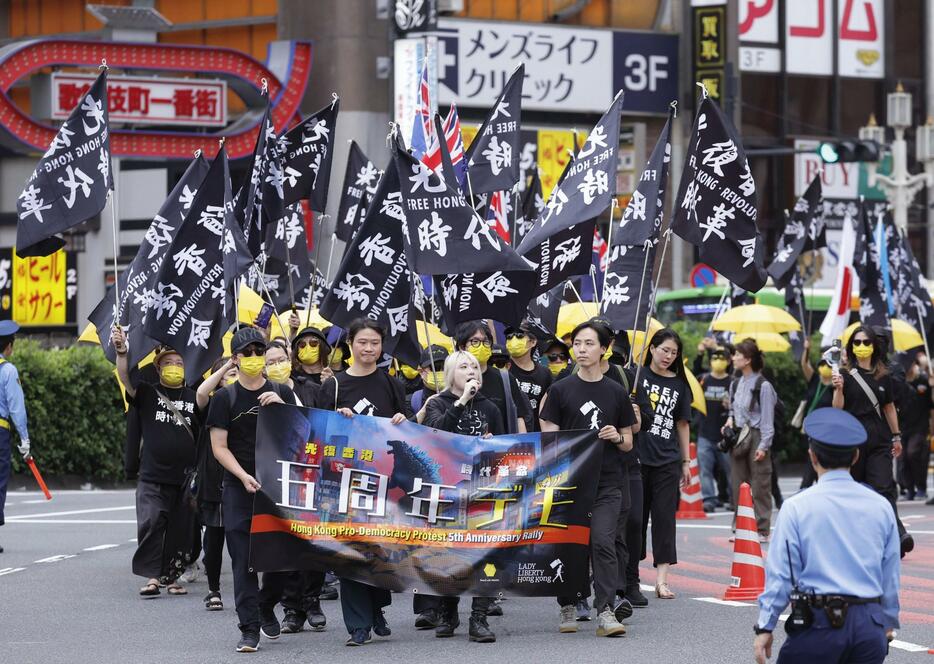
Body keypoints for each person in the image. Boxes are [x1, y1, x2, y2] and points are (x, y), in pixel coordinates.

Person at [754, 408, 900, 664]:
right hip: (868, 625)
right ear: (855, 456)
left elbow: (782, 574)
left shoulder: (797, 507)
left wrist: (766, 626)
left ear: (812, 457)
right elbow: (890, 574)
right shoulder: (880, 506)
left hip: (818, 624)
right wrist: (887, 623)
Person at [540, 320, 635, 638]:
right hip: (569, 482)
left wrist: (614, 436)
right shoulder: (560, 389)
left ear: (604, 349)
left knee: (603, 542)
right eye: (577, 343)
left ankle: (606, 610)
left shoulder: (616, 392)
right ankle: (568, 603)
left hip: (608, 481)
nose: (581, 349)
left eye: (589, 343)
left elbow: (629, 440)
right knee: (570, 546)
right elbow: (548, 436)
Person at [316, 318, 408, 647]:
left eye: (375, 343)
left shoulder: (392, 383)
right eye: (362, 342)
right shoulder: (334, 386)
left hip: (383, 485)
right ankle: (358, 624)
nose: (368, 349)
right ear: (350, 344)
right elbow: (318, 433)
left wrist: (403, 420)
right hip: (344, 482)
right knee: (350, 552)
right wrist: (335, 420)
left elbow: (410, 429)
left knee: (379, 550)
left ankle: (376, 607)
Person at [207, 326, 297, 653]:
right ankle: (249, 628)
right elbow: (219, 446)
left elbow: (303, 440)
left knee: (279, 560)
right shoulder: (224, 398)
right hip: (237, 488)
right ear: (235, 359)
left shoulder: (281, 393)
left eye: (259, 352)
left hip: (277, 489)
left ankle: (266, 604)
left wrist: (283, 408)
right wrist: (243, 476)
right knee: (244, 561)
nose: (255, 358)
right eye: (248, 353)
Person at [419, 350, 503, 643]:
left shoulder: (491, 407)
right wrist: (462, 400)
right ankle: (447, 609)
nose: (471, 371)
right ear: (451, 372)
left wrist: (495, 444)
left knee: (484, 553)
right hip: (446, 489)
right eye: (464, 366)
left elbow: (507, 447)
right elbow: (437, 433)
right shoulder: (436, 403)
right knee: (447, 553)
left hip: (482, 489)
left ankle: (479, 617)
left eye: (475, 367)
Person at [113, 328, 199, 599]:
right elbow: (125, 376)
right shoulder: (148, 393)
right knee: (151, 522)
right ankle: (152, 577)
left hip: (185, 477)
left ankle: (172, 577)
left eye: (179, 363)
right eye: (168, 363)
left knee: (179, 528)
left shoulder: (196, 396)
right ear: (158, 367)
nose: (174, 367)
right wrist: (122, 352)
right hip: (152, 475)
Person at [830, 326, 913, 556]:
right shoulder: (844, 375)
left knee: (884, 486)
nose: (861, 347)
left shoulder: (884, 375)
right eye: (857, 343)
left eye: (866, 342)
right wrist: (838, 389)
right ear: (851, 347)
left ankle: (897, 534)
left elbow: (889, 407)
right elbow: (838, 408)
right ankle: (855, 538)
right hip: (853, 440)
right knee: (854, 491)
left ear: (874, 346)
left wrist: (896, 436)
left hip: (879, 439)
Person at [636, 328, 692, 599]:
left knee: (664, 520)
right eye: (664, 350)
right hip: (636, 457)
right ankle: (629, 576)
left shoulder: (680, 385)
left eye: (674, 352)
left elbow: (682, 424)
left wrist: (686, 461)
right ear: (652, 348)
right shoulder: (636, 376)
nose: (669, 356)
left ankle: (662, 580)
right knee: (634, 519)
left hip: (667, 461)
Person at [195, 357, 239, 611]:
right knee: (214, 539)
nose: (232, 376)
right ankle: (213, 590)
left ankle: (250, 589)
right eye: (227, 373)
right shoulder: (213, 404)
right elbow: (201, 392)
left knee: (242, 541)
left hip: (245, 478)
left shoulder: (252, 401)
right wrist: (227, 365)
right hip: (215, 481)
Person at [724, 339, 775, 542]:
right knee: (738, 483)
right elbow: (732, 410)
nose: (733, 357)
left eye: (737, 354)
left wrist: (764, 445)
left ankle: (762, 529)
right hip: (739, 434)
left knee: (760, 483)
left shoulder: (764, 386)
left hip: (757, 435)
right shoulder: (735, 382)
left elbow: (768, 420)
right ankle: (740, 527)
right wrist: (728, 421)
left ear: (747, 359)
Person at [453, 321, 532, 434]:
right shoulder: (453, 379)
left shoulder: (505, 378)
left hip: (501, 448)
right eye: (475, 342)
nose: (481, 346)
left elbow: (519, 417)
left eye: (486, 342)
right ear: (462, 347)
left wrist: (523, 445)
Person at [692, 339, 733, 512]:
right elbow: (692, 377)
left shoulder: (733, 382)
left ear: (728, 361)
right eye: (715, 357)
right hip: (705, 434)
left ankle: (734, 498)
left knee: (730, 471)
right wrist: (700, 352)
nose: (718, 360)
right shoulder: (703, 379)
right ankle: (709, 499)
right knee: (705, 471)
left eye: (721, 357)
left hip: (726, 435)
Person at [0, 320, 29, 555]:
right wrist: (24, 438)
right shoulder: (8, 370)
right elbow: (16, 408)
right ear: (9, 346)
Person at [797, 338, 835, 489]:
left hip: (829, 429)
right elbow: (804, 364)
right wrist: (806, 349)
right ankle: (809, 487)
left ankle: (806, 488)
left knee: (818, 457)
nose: (824, 367)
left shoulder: (836, 384)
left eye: (827, 364)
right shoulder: (814, 379)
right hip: (812, 428)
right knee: (814, 456)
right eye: (822, 363)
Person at [896, 352, 933, 501]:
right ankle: (909, 489)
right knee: (902, 458)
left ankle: (921, 487)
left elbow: (931, 406)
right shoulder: (899, 381)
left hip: (920, 426)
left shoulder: (923, 380)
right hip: (902, 426)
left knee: (913, 453)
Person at [505, 322, 552, 430]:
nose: (513, 340)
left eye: (519, 336)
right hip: (508, 435)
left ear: (533, 342)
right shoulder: (502, 369)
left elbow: (548, 409)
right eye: (509, 337)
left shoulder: (545, 374)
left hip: (536, 436)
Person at [408, 345, 448, 424]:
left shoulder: (460, 398)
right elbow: (407, 431)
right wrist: (423, 411)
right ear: (421, 371)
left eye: (444, 367)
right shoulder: (411, 401)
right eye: (435, 368)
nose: (440, 371)